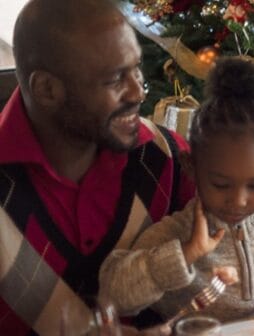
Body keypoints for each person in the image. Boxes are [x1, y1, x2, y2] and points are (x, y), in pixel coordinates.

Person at [98, 59, 254, 323]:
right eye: (221, 185)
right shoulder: (174, 234)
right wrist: (185, 253)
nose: (239, 200)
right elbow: (113, 294)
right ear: (191, 168)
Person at [0, 1, 194, 334]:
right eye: (115, 79)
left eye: (136, 70)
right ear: (47, 90)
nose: (137, 92)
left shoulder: (170, 159)